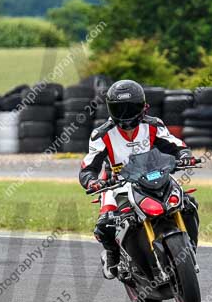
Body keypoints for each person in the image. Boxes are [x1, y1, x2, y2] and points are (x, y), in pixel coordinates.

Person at [79, 79, 198, 279]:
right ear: (111, 109)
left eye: (131, 107)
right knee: (106, 224)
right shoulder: (101, 135)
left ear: (143, 106)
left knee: (188, 205)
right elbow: (88, 166)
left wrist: (185, 155)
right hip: (117, 184)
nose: (126, 115)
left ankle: (190, 249)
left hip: (155, 176)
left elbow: (174, 144)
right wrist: (93, 181)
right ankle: (112, 255)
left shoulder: (154, 125)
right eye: (120, 109)